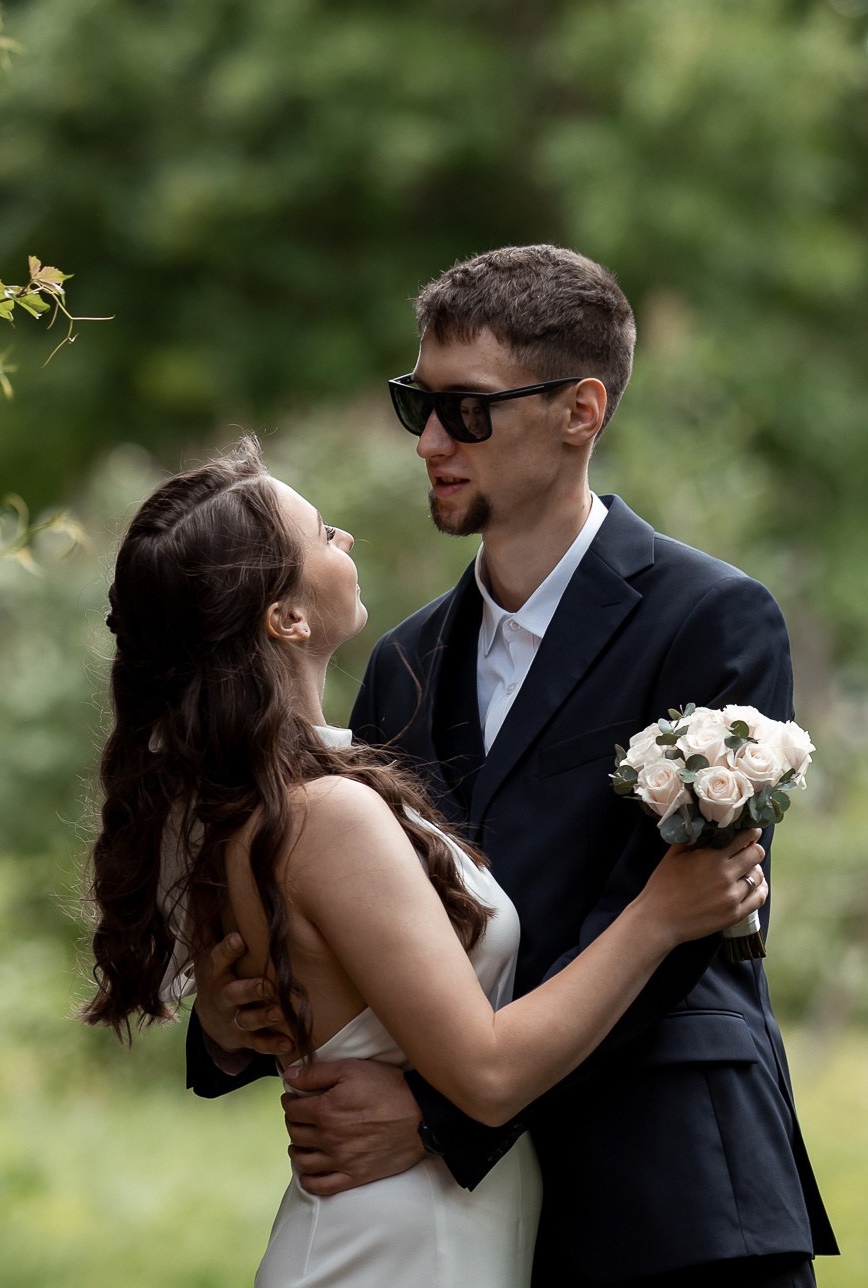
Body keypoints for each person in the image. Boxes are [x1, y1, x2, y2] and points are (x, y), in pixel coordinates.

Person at [187, 246, 838, 1287]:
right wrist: (230, 1021)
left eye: (467, 410)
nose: (431, 441)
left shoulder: (711, 618)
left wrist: (443, 1113)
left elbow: (681, 926)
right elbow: (370, 922)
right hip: (475, 1229)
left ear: (580, 410)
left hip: (674, 1196)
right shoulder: (400, 662)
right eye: (418, 405)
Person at [82, 437, 770, 1288]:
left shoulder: (265, 787)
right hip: (400, 1248)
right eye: (325, 533)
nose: (349, 542)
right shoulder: (326, 811)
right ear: (286, 619)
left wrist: (235, 1027)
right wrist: (661, 914)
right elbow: (482, 1070)